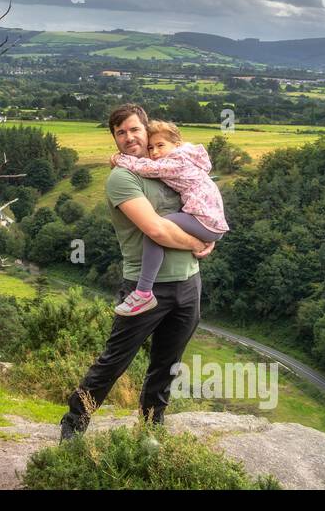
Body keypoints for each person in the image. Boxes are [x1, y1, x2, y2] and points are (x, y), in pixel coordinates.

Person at [59, 104, 208, 440]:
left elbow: (201, 201)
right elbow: (154, 230)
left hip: (189, 283)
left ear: (146, 129)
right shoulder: (122, 177)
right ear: (115, 138)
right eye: (120, 133)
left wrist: (207, 234)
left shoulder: (166, 167)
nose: (128, 138)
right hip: (146, 288)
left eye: (134, 130)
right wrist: (200, 241)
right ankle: (74, 423)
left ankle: (150, 428)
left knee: (167, 364)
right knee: (114, 360)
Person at [108, 119, 228, 316]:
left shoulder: (176, 162)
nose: (154, 152)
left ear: (177, 145)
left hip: (204, 221)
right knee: (157, 230)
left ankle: (144, 292)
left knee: (154, 232)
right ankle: (145, 291)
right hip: (209, 222)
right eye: (151, 147)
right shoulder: (187, 156)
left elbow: (146, 168)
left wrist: (119, 159)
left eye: (160, 146)